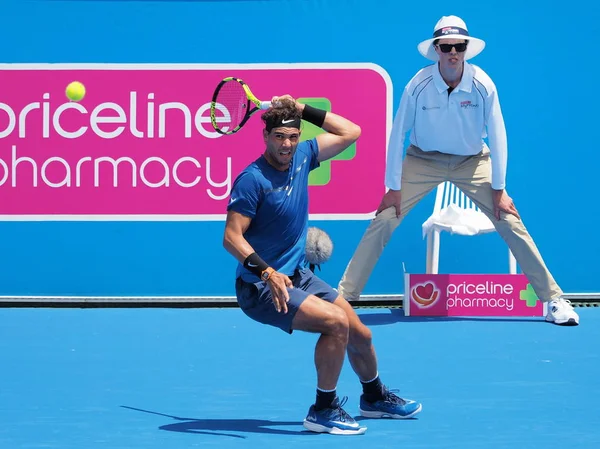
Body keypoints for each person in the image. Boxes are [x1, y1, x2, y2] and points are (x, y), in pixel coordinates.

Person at [338, 15, 579, 326]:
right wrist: (393, 186)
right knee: (384, 218)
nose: (453, 52)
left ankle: (554, 300)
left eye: (459, 46)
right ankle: (343, 299)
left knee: (509, 219)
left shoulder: (483, 85)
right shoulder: (418, 85)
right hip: (422, 160)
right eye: (446, 46)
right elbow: (398, 133)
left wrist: (499, 188)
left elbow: (499, 136)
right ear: (436, 49)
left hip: (472, 162)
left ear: (466, 49)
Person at [223, 97, 423, 435]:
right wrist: (267, 272)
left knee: (361, 333)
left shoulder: (303, 155)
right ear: (266, 137)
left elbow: (351, 131)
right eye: (279, 137)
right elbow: (231, 237)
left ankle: (373, 398)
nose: (286, 145)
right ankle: (323, 409)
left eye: (292, 136)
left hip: (297, 275)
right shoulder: (252, 179)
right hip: (259, 287)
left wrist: (301, 107)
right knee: (335, 323)